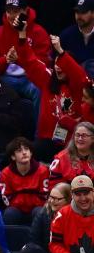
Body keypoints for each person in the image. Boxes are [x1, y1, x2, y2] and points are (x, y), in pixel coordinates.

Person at [15, 32, 89, 162]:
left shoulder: (78, 87)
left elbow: (80, 76)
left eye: (62, 63)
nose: (57, 66)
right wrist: (22, 35)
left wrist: (60, 51)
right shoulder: (47, 80)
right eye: (55, 63)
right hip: (46, 139)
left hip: (72, 142)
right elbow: (31, 62)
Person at [0, 0, 49, 127]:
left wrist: (20, 60)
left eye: (16, 11)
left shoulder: (39, 32)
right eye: (8, 11)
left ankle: (39, 136)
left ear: (25, 11)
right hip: (6, 78)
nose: (11, 15)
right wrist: (5, 60)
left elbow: (44, 64)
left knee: (41, 90)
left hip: (30, 79)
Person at [0, 137, 49, 225]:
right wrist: (28, 198)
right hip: (16, 210)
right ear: (13, 157)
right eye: (19, 151)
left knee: (41, 212)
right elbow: (7, 199)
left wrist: (22, 197)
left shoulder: (43, 170)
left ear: (31, 152)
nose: (24, 152)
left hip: (36, 208)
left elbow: (44, 197)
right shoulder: (5, 173)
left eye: (26, 149)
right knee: (9, 213)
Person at [48, 122, 94, 188]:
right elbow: (54, 185)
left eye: (84, 135)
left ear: (92, 138)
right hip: (68, 196)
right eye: (77, 135)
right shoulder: (61, 158)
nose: (80, 139)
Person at [30, 182, 71, 250]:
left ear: (68, 200)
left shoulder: (76, 215)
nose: (52, 201)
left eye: (57, 199)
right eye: (51, 197)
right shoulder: (42, 214)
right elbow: (35, 241)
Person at [60, 0, 94, 72]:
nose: (79, 16)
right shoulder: (66, 35)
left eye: (83, 12)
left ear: (93, 13)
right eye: (77, 12)